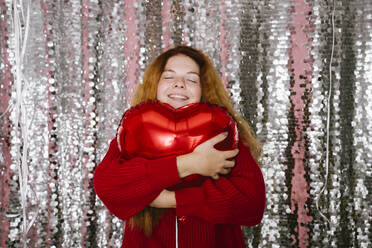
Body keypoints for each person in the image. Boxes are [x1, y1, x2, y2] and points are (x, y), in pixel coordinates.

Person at [93, 45, 266, 248]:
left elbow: (251, 203)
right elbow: (107, 185)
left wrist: (171, 199)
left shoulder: (224, 134)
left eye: (191, 79)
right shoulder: (133, 132)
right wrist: (190, 164)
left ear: (204, 89)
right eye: (168, 77)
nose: (179, 84)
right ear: (155, 85)